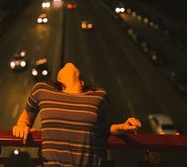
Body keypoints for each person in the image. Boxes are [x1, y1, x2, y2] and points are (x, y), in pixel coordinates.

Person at [13, 62, 141, 166]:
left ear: (82, 81)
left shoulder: (99, 96)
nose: (68, 64)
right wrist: (21, 126)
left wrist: (123, 127)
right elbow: (25, 119)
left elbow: (104, 128)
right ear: (58, 79)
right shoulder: (42, 90)